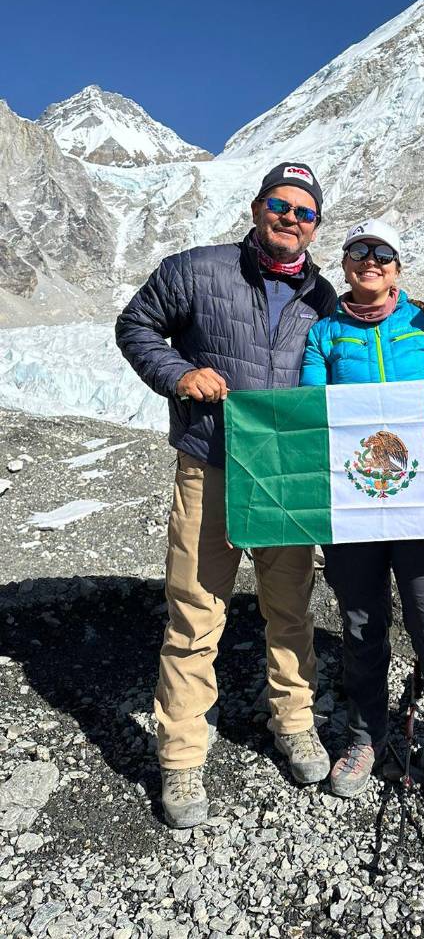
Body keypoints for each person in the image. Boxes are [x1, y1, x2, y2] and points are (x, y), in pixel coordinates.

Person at [115, 161, 337, 829]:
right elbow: (137, 327)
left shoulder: (325, 299)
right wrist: (181, 375)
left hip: (284, 477)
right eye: (280, 204)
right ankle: (181, 756)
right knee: (194, 610)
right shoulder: (197, 269)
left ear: (314, 225)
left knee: (290, 606)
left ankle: (294, 720)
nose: (289, 218)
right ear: (257, 206)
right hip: (209, 463)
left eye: (304, 211)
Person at [300, 218, 424, 835]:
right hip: (353, 509)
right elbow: (309, 415)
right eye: (358, 253)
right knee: (361, 628)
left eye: (382, 254)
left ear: (398, 267)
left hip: (422, 509)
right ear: (346, 265)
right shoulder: (325, 333)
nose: (370, 262)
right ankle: (365, 736)